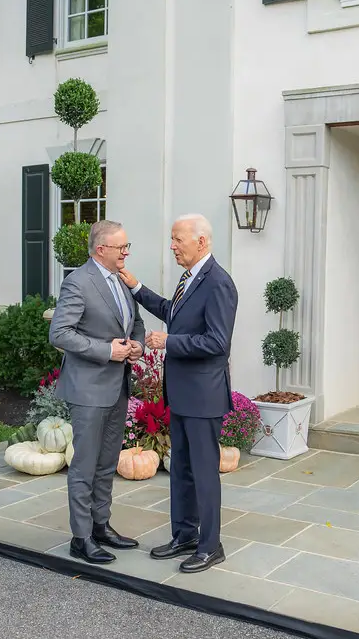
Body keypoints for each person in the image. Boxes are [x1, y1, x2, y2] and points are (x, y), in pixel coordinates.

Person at [119, 213, 238, 574]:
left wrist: (170, 341)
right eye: (172, 239)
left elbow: (218, 342)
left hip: (203, 398)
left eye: (177, 239)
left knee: (204, 472)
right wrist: (138, 288)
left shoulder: (218, 283)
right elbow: (174, 313)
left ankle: (210, 545)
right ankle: (185, 534)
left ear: (201, 242)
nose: (172, 246)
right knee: (182, 470)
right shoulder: (189, 279)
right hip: (183, 395)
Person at [49, 219, 145, 565]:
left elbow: (135, 321)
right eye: (122, 247)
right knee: (85, 466)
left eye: (127, 246)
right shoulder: (78, 282)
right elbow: (60, 334)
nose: (126, 253)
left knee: (107, 464)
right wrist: (108, 351)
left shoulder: (121, 280)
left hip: (117, 386)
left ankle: (102, 526)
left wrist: (135, 345)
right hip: (88, 390)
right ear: (101, 249)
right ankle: (81, 537)